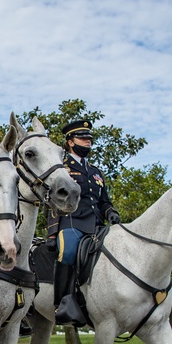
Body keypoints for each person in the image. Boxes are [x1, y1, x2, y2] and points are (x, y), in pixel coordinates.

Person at [46, 119, 121, 326]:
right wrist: (52, 233)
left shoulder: (96, 172)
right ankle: (62, 303)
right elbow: (53, 201)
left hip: (97, 225)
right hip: (72, 223)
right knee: (68, 251)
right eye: (82, 138)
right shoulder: (62, 168)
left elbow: (104, 201)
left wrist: (111, 212)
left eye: (89, 139)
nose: (87, 142)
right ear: (70, 141)